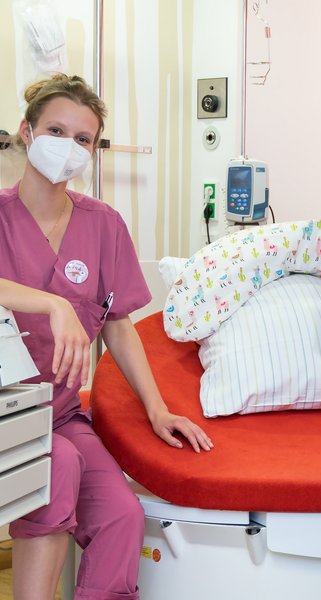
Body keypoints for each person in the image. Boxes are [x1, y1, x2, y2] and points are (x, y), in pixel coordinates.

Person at [0, 74, 213, 600]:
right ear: (27, 132)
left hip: (59, 412)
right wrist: (50, 303)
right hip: (6, 410)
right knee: (59, 463)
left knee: (121, 515)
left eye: (83, 139)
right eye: (56, 129)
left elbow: (117, 325)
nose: (68, 147)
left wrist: (157, 408)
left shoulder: (103, 225)